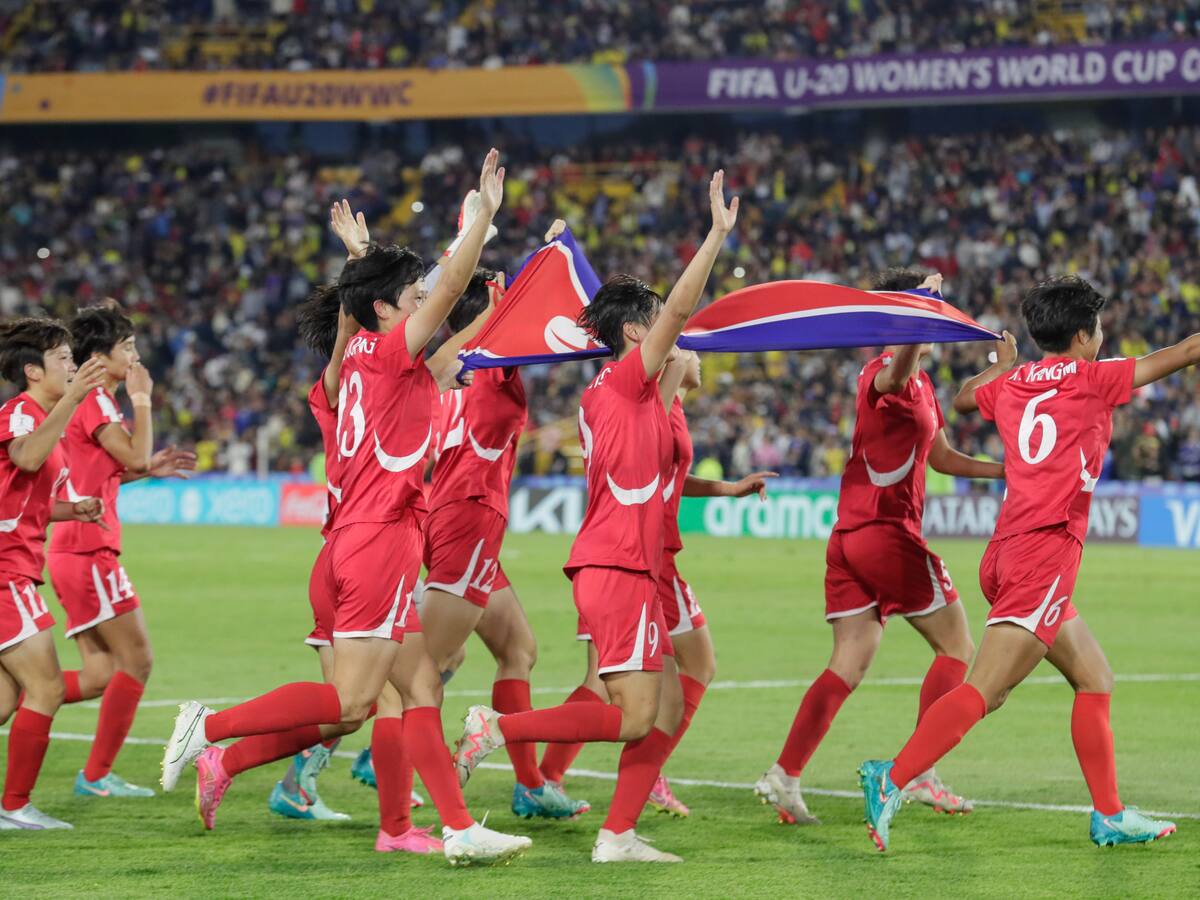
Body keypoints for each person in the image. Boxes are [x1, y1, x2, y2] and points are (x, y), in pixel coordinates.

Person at [162, 150, 532, 866]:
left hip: (346, 545)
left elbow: (429, 339)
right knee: (349, 705)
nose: (427, 298)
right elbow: (444, 299)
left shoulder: (354, 366)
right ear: (389, 312)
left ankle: (434, 827)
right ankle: (211, 724)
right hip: (380, 543)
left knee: (413, 687)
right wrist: (479, 222)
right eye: (412, 295)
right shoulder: (394, 355)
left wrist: (365, 266)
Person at [453, 169, 739, 864]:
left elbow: (674, 357)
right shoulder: (627, 381)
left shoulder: (619, 391)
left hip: (627, 565)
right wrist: (715, 237)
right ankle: (499, 727)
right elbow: (676, 317)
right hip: (620, 566)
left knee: (664, 709)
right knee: (636, 713)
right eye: (659, 325)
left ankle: (617, 836)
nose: (675, 333)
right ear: (638, 332)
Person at [860, 274, 1195, 851]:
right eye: (1098, 329)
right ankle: (891, 777)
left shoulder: (1013, 382)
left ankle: (1110, 814)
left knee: (1094, 677)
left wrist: (1000, 364)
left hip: (1007, 551)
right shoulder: (1095, 378)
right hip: (1043, 552)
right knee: (983, 692)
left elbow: (965, 398)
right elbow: (1189, 351)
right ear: (1086, 334)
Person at [756, 270, 1004, 825]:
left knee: (848, 664)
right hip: (884, 535)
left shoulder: (922, 387)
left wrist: (1008, 469)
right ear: (903, 317)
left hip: (850, 539)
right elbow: (894, 372)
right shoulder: (882, 374)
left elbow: (941, 458)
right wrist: (919, 308)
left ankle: (785, 774)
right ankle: (919, 773)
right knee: (958, 649)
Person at [537, 349, 774, 818]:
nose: (701, 358)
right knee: (695, 666)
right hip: (644, 556)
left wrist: (726, 488)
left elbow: (668, 472)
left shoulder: (668, 405)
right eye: (690, 350)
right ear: (667, 360)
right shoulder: (652, 401)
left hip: (625, 551)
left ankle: (545, 778)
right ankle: (642, 774)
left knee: (602, 682)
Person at [421, 220, 588, 821]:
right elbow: (557, 321)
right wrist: (553, 258)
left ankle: (528, 785)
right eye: (501, 291)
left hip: (459, 514)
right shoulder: (492, 362)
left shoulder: (459, 363)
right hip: (467, 515)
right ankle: (356, 753)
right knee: (422, 669)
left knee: (519, 649)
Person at [47, 304, 195, 801]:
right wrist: (143, 401)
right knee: (138, 663)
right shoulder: (97, 400)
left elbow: (107, 469)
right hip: (90, 551)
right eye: (126, 348)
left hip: (75, 549)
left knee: (99, 675)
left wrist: (146, 469)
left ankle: (20, 693)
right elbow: (129, 453)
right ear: (99, 357)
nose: (135, 356)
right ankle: (95, 776)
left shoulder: (86, 401)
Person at [0, 318, 107, 829]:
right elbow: (24, 458)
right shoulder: (22, 414)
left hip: (16, 568)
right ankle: (15, 807)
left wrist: (73, 509)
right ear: (31, 370)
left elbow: (25, 502)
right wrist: (74, 400)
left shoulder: (41, 419)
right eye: (62, 358)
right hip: (5, 574)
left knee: (5, 700)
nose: (71, 365)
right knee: (47, 689)